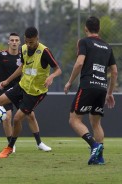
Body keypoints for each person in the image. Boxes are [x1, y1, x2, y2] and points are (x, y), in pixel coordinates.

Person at [0, 33, 51, 152]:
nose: (14, 42)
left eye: (16, 40)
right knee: (7, 117)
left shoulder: (23, 54)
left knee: (31, 116)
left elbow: (26, 69)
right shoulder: (0, 55)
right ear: (8, 42)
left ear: (19, 42)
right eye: (12, 40)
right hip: (4, 89)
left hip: (20, 89)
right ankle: (9, 144)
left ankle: (39, 143)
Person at [0, 26, 62, 158]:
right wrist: (8, 80)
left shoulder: (45, 51)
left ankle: (10, 146)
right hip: (23, 86)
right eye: (27, 41)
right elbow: (22, 67)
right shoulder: (24, 48)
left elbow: (58, 69)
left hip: (36, 92)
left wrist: (51, 77)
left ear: (37, 39)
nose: (29, 44)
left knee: (17, 118)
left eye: (31, 42)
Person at [64, 16, 117, 165]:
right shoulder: (107, 46)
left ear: (85, 28)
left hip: (88, 86)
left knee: (74, 119)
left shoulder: (84, 42)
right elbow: (114, 72)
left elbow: (79, 63)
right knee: (96, 123)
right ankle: (99, 158)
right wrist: (110, 93)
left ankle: (94, 146)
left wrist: (69, 82)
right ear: (99, 29)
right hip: (101, 88)